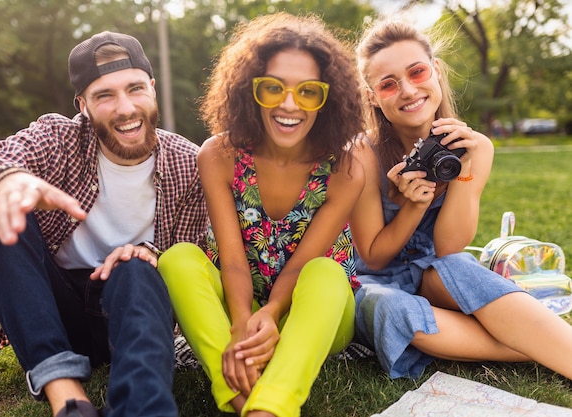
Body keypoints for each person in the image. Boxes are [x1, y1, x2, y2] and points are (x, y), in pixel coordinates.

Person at [0, 31, 208, 416]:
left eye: (135, 88)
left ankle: (141, 407)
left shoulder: (190, 163)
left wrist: (150, 255)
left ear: (152, 89)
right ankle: (68, 399)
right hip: (53, 313)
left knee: (135, 269)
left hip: (137, 314)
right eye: (104, 95)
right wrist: (0, 182)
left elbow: (189, 268)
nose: (125, 108)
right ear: (82, 104)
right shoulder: (56, 138)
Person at [157, 12, 365, 417]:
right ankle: (244, 395)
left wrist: (272, 313)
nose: (289, 104)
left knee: (324, 272)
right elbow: (232, 260)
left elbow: (302, 263)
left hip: (316, 316)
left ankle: (267, 409)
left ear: (329, 99)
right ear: (250, 91)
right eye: (273, 88)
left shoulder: (345, 168)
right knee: (177, 258)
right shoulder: (219, 155)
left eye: (308, 92)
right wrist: (240, 324)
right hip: (241, 304)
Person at [350, 18, 572, 381]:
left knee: (462, 269)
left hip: (436, 272)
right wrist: (414, 206)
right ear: (372, 97)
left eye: (417, 72)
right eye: (388, 84)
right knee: (393, 309)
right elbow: (373, 256)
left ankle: (551, 343)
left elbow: (449, 246)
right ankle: (536, 341)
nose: (407, 90)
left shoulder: (476, 147)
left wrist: (463, 169)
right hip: (375, 280)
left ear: (435, 70)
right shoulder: (361, 153)